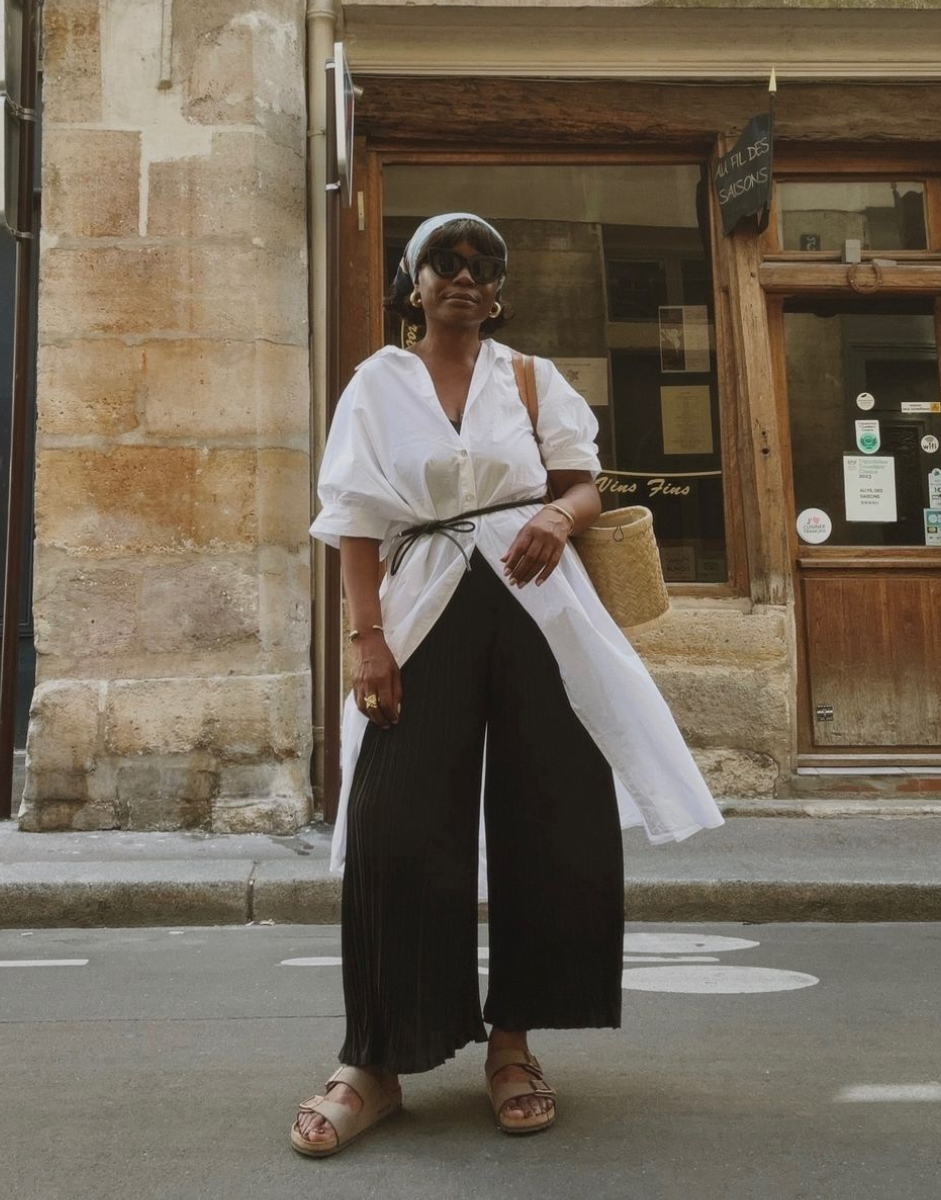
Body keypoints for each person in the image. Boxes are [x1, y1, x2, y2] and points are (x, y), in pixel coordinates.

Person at [293, 213, 724, 1157]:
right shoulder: (376, 383)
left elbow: (582, 481)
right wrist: (367, 640)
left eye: (483, 265)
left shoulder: (530, 377)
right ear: (415, 284)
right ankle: (374, 1060)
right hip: (423, 612)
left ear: (500, 291)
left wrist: (560, 521)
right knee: (396, 827)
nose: (465, 275)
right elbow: (357, 519)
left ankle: (514, 1045)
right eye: (444, 262)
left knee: (551, 819)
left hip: (538, 611)